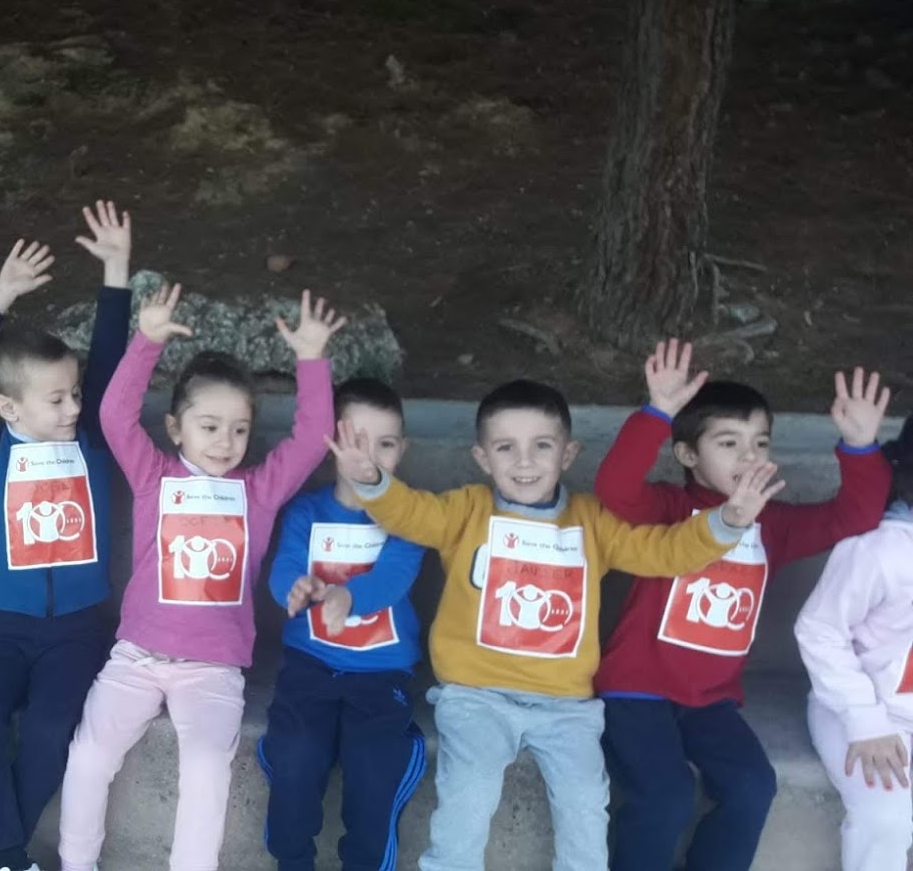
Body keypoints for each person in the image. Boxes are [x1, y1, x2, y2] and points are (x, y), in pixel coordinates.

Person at [324, 377, 784, 871]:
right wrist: (372, 480)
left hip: (566, 708)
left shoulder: (591, 520)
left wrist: (727, 523)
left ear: (568, 454)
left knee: (586, 808)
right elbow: (411, 513)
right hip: (476, 697)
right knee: (468, 796)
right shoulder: (465, 510)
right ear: (482, 458)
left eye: (542, 446)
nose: (524, 461)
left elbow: (662, 552)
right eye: (506, 447)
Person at [56, 281, 340, 871]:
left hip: (213, 669)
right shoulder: (153, 476)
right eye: (209, 426)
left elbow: (313, 438)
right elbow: (114, 416)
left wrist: (312, 360)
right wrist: (147, 341)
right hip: (135, 657)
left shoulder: (259, 491)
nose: (225, 441)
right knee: (88, 756)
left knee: (208, 769)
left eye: (239, 428)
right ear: (176, 428)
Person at [593, 341, 891, 871]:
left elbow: (855, 517)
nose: (750, 456)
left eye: (760, 443)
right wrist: (657, 413)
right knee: (665, 796)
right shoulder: (667, 508)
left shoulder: (772, 524)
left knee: (753, 786)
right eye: (729, 443)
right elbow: (614, 487)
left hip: (710, 702)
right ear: (688, 456)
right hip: (635, 692)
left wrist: (861, 445)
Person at [0, 202, 132, 871]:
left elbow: (109, 363)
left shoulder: (92, 438)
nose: (73, 406)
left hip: (79, 629)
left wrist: (116, 274)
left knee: (52, 728)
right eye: (56, 399)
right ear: (7, 407)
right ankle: (5, 855)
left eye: (75, 393)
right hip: (3, 626)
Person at [257, 378, 429, 871]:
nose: (367, 458)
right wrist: (293, 590)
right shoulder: (306, 511)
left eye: (385, 444)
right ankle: (292, 861)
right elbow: (286, 567)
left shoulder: (410, 516)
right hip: (310, 665)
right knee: (296, 758)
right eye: (355, 441)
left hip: (380, 674)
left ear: (403, 450)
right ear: (330, 443)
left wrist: (348, 595)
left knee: (373, 770)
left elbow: (393, 577)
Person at [795, 415, 913, 871]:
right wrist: (866, 720)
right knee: (886, 819)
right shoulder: (881, 550)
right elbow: (820, 630)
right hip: (866, 713)